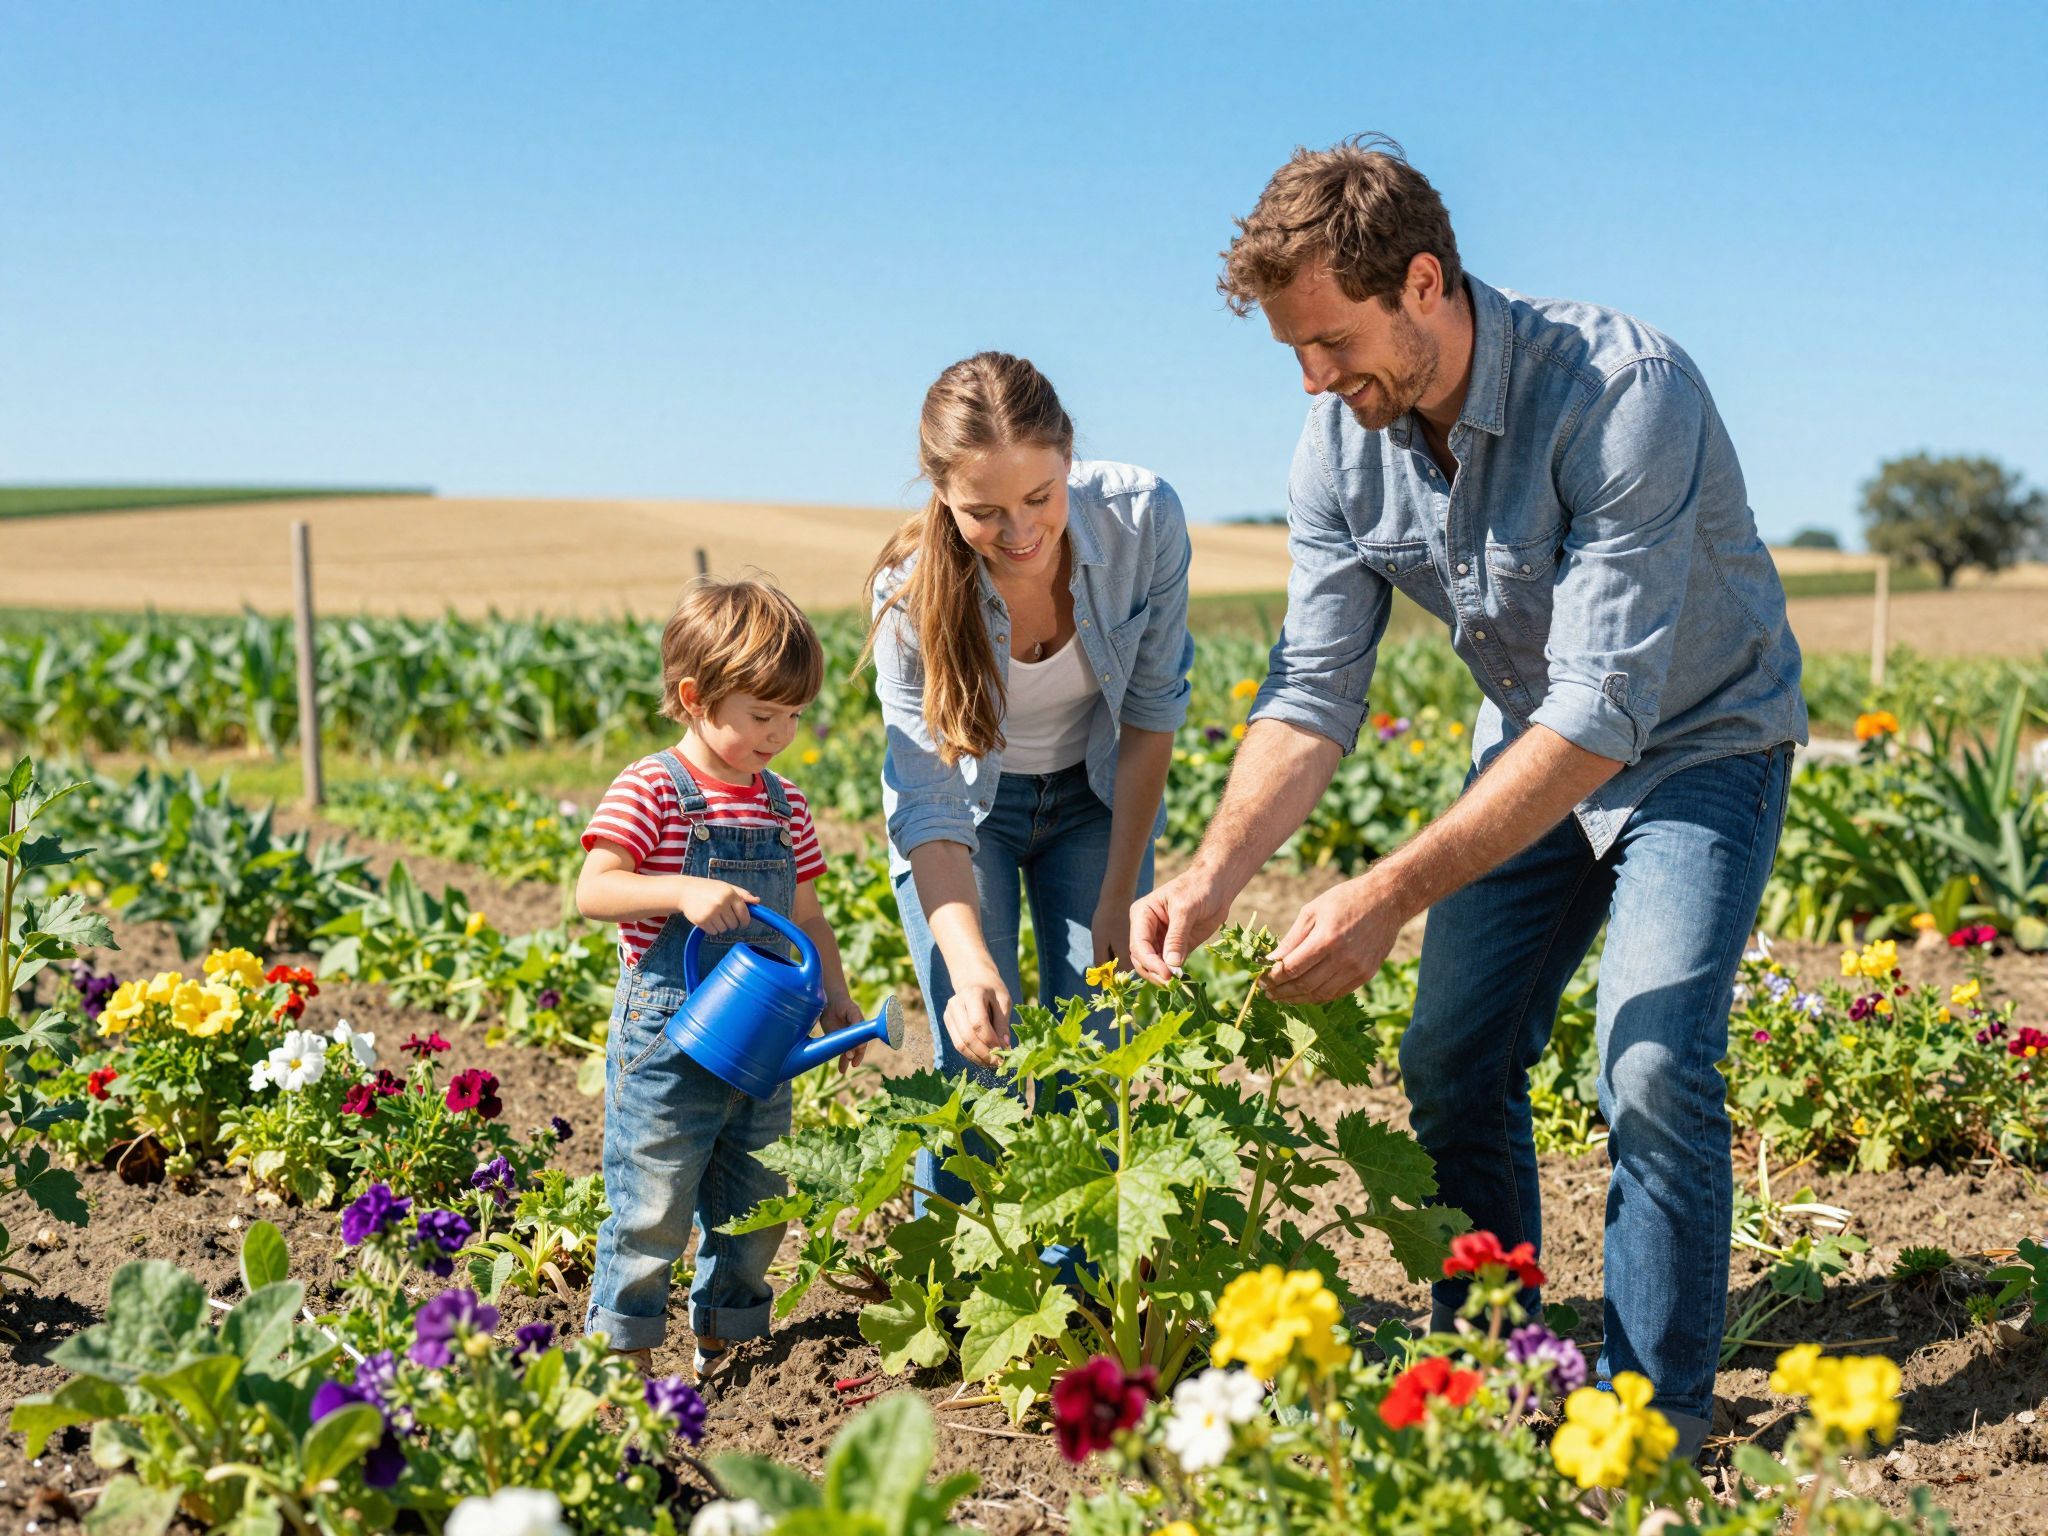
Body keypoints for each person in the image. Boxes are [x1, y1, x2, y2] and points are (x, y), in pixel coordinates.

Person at [1131, 137, 1806, 1457]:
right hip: (1532, 747)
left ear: (1424, 280)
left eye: (1331, 341)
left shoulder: (1623, 390)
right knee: (1449, 1058)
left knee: (1655, 1058)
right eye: (1294, 355)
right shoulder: (1340, 443)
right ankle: (1498, 1367)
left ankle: (1649, 1433)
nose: (1317, 379)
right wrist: (1208, 878)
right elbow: (1312, 691)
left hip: (1701, 740)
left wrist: (1387, 893)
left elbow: (1606, 716)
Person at [862, 350, 1193, 1211]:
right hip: (970, 820)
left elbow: (1153, 713)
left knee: (1098, 1042)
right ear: (940, 493)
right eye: (983, 511)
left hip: (1094, 802)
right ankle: (957, 1297)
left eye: (1039, 499)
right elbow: (929, 801)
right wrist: (969, 966)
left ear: (1069, 458)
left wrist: (1120, 890)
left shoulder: (1142, 520)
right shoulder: (908, 600)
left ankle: (1078, 1291)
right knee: (977, 1056)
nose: (1017, 532)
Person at [577, 576, 868, 1385]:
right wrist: (677, 889)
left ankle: (730, 1347)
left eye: (794, 716)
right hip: (670, 1038)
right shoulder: (653, 788)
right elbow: (593, 888)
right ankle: (623, 1358)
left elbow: (807, 918)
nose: (782, 734)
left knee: (756, 1200)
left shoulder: (786, 806)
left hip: (765, 1044)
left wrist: (835, 997)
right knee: (652, 1199)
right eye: (762, 715)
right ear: (696, 698)